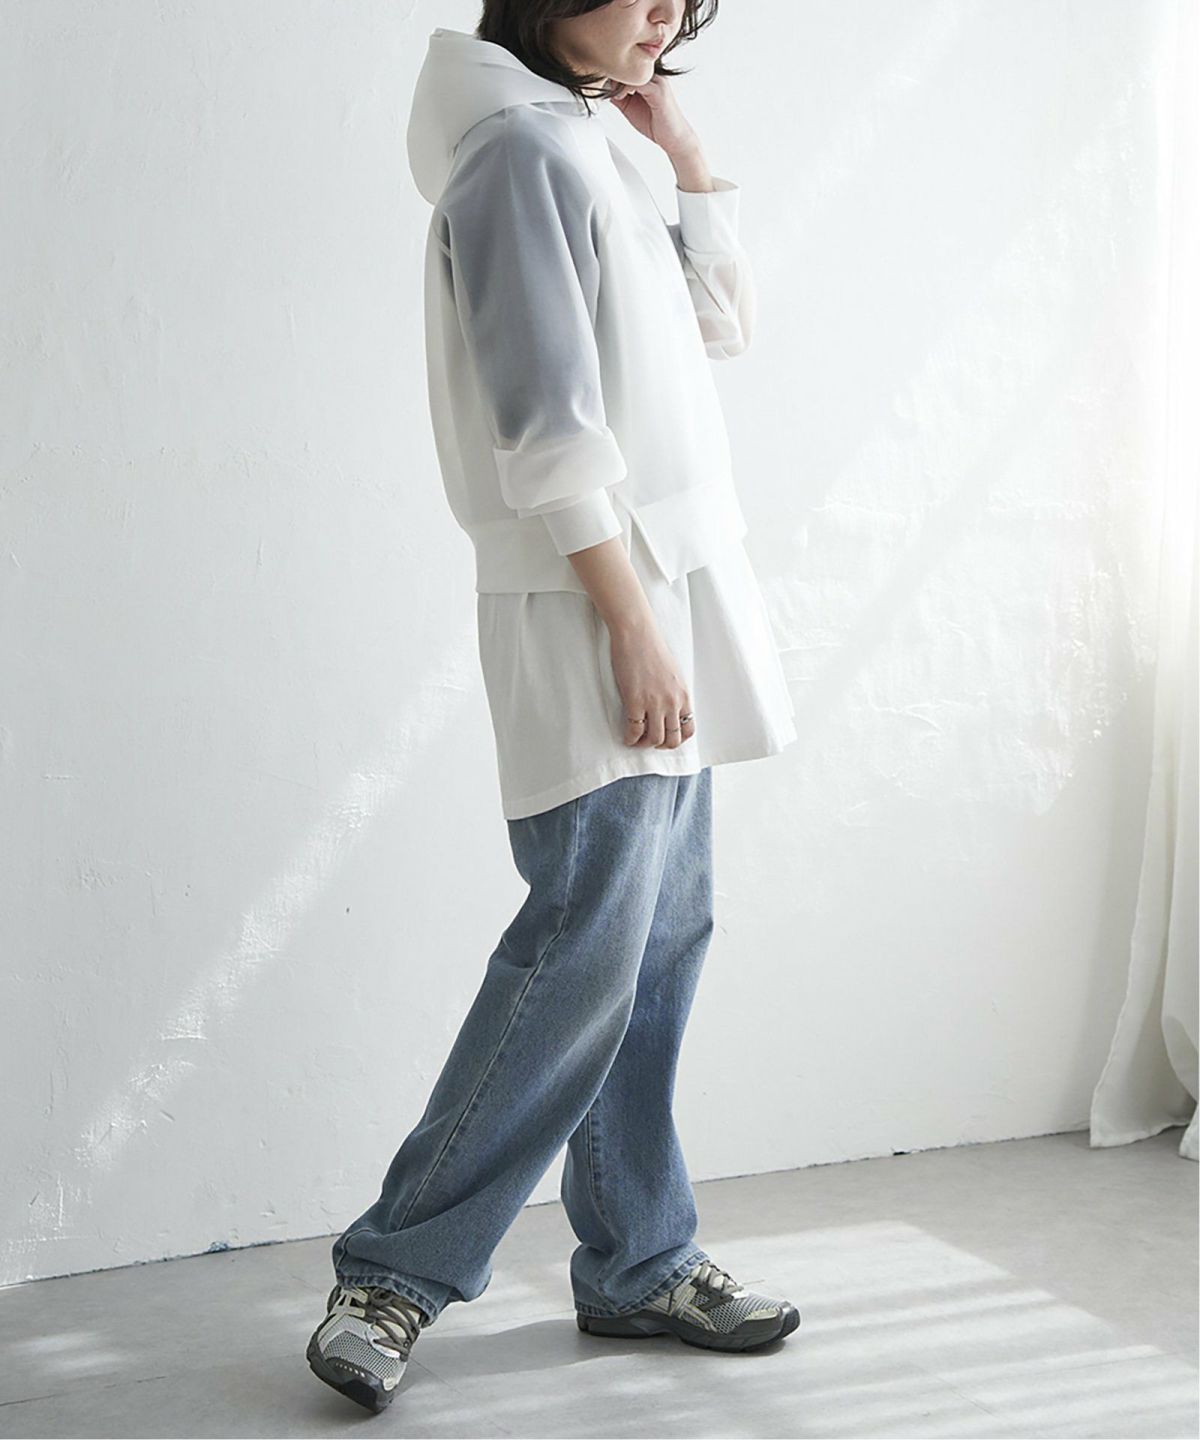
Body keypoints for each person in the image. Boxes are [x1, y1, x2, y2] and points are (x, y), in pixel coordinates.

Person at [306, 0, 800, 1414]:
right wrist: (633, 632)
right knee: (581, 953)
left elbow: (720, 328)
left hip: (669, 591)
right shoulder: (517, 153)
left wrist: (685, 157)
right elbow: (545, 427)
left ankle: (640, 1257)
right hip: (599, 603)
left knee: (660, 942)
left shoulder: (584, 139)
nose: (666, 18)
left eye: (682, 1)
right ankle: (394, 1272)